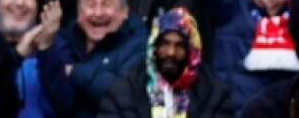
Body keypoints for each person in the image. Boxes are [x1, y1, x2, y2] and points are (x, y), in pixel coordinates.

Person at [97, 6, 234, 117]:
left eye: (179, 46)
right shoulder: (122, 91)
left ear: (191, 52)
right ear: (154, 47)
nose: (171, 52)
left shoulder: (216, 95)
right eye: (165, 44)